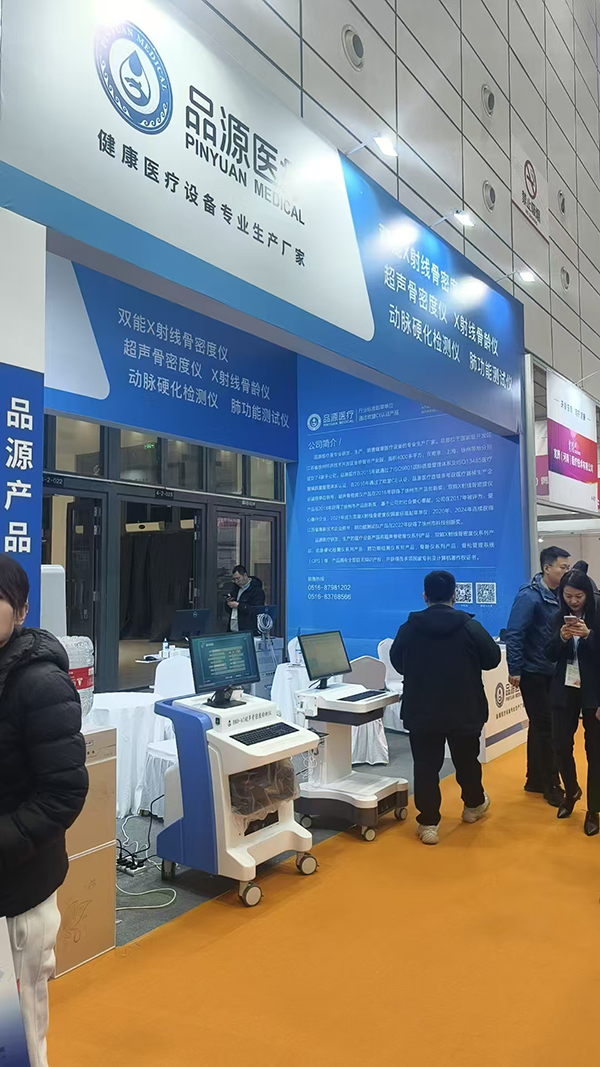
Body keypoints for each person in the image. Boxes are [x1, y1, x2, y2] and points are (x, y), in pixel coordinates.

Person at [0, 555, 88, 1067]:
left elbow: (62, 796)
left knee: (18, 1035)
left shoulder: (40, 683)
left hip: (18, 893)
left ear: (21, 611)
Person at [390, 570, 501, 845]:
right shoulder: (470, 626)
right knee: (467, 760)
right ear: (454, 595)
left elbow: (397, 662)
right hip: (465, 709)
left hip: (422, 710)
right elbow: (492, 659)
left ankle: (428, 824)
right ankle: (473, 806)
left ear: (424, 596)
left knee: (426, 766)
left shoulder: (409, 627)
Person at [505, 545, 571, 806]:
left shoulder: (560, 595)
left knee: (541, 726)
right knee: (547, 728)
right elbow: (515, 633)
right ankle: (550, 784)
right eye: (563, 567)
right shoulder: (529, 597)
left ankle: (534, 779)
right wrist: (514, 669)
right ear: (547, 568)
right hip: (533, 672)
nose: (566, 571)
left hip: (553, 671)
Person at [546, 569, 600, 835]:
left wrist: (589, 635)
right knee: (559, 745)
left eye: (579, 596)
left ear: (588, 594)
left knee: (595, 752)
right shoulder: (559, 617)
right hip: (565, 688)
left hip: (594, 692)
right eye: (568, 596)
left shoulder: (598, 616)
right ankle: (572, 791)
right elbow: (549, 653)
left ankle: (594, 810)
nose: (574, 601)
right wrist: (562, 638)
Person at [225, 564, 265, 634]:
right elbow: (229, 610)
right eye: (234, 579)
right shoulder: (235, 588)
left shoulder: (256, 590)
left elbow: (256, 610)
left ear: (245, 575)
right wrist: (228, 603)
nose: (236, 581)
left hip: (248, 629)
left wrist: (238, 606)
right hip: (233, 628)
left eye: (238, 578)